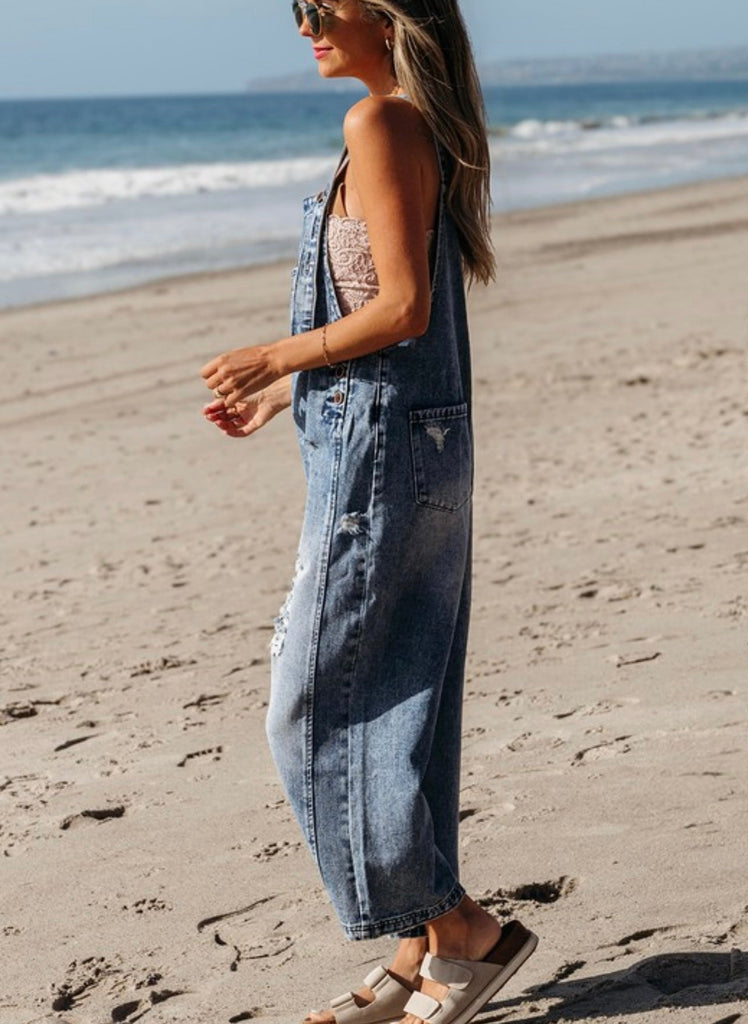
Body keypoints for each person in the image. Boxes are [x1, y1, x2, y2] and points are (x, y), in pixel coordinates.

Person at [200, 2, 538, 1021]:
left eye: (319, 2)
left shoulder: (382, 123)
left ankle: (459, 922)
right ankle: (420, 951)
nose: (302, 20)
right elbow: (386, 310)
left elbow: (402, 308)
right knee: (397, 702)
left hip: (384, 453)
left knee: (310, 706)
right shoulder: (406, 120)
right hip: (406, 441)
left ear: (387, 14)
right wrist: (284, 392)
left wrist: (278, 354)